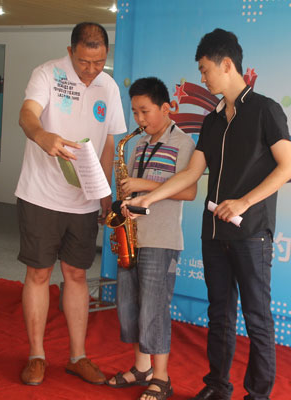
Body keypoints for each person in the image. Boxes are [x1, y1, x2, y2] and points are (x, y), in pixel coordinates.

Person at [123, 29, 291, 400]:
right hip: (214, 235)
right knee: (219, 313)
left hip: (251, 233)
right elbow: (190, 174)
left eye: (205, 70)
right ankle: (218, 386)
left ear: (226, 64)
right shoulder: (212, 121)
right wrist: (147, 199)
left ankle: (258, 394)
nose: (202, 78)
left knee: (256, 316)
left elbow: (287, 167)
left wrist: (245, 202)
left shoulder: (265, 110)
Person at [15, 22, 127, 386]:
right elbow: (27, 114)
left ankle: (77, 356)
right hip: (41, 195)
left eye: (99, 62)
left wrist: (104, 193)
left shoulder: (109, 87)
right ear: (70, 52)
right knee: (39, 273)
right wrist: (42, 135)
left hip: (83, 200)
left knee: (77, 275)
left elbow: (108, 143)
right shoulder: (47, 74)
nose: (91, 70)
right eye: (84, 62)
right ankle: (36, 356)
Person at [106, 77, 197, 400]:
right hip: (133, 237)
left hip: (162, 239)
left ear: (166, 108)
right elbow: (129, 187)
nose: (140, 119)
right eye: (135, 112)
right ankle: (141, 368)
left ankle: (161, 377)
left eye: (145, 111)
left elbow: (188, 191)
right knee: (129, 306)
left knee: (154, 309)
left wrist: (142, 185)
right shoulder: (139, 144)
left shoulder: (183, 143)